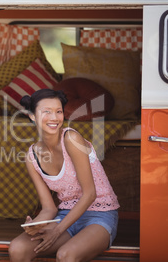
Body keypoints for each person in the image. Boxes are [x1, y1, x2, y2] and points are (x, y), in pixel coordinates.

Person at [8, 89, 120, 262]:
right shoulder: (32, 157)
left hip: (100, 215)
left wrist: (57, 231)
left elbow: (90, 194)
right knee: (18, 249)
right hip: (65, 216)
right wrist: (34, 225)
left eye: (58, 111)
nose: (54, 118)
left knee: (66, 255)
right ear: (32, 116)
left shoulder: (71, 138)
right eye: (47, 112)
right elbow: (49, 208)